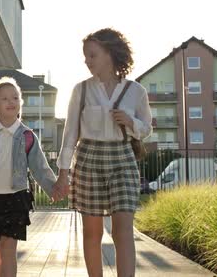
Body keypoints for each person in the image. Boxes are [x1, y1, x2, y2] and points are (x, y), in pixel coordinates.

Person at [56, 28, 153, 277]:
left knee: (123, 230)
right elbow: (70, 134)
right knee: (92, 232)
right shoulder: (81, 90)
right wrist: (63, 173)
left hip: (122, 159)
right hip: (88, 159)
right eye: (86, 56)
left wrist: (130, 121)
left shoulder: (136, 91)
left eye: (92, 55)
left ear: (110, 53)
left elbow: (146, 129)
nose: (87, 61)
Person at [0, 77, 64, 277]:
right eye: (5, 98)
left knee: (8, 248)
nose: (11, 102)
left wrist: (53, 188)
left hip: (16, 199)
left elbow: (40, 168)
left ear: (20, 103)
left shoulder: (27, 136)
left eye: (15, 98)